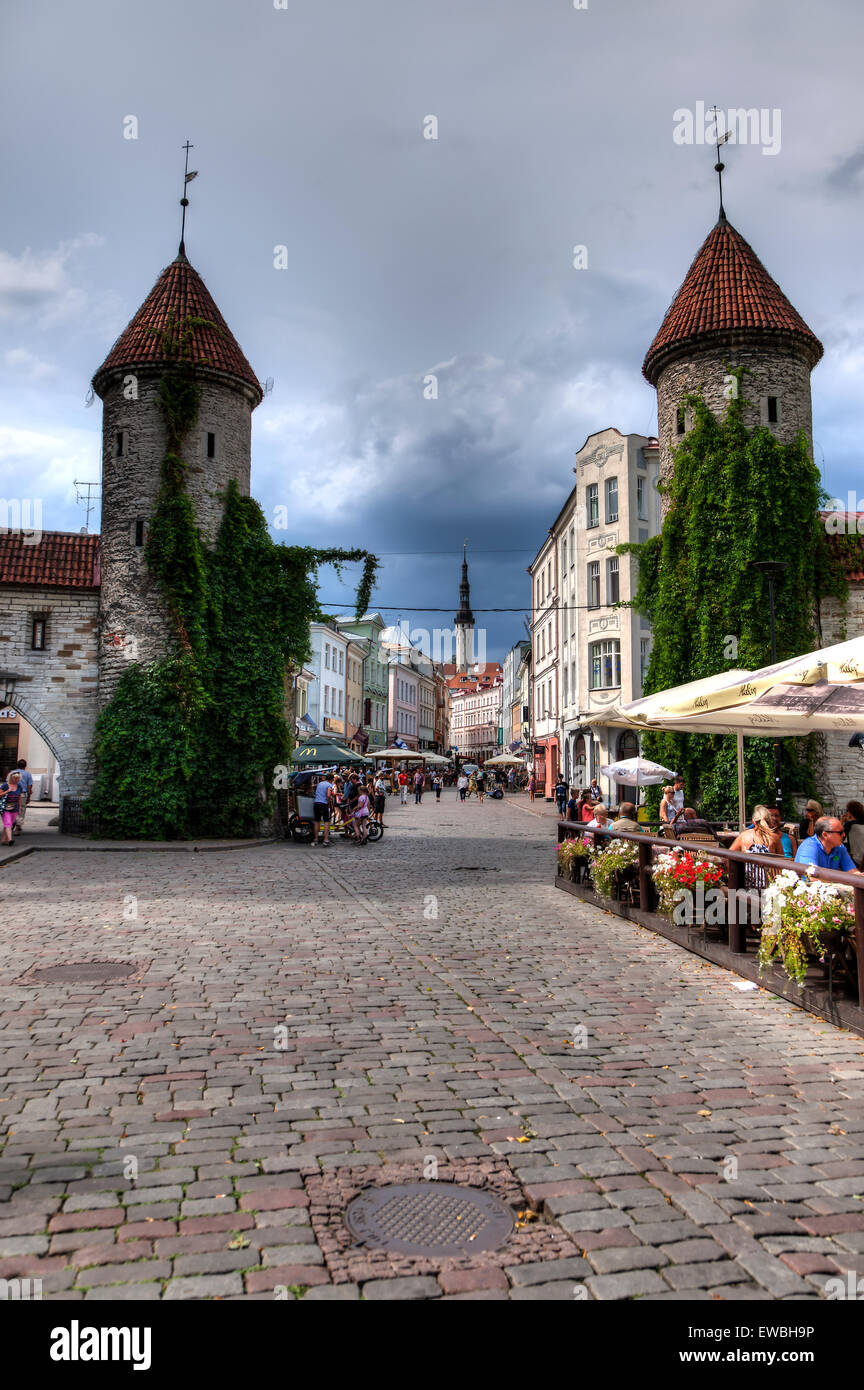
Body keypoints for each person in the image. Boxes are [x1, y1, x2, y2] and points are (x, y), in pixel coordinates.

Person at [729, 804, 783, 888]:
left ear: (753, 821)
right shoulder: (774, 838)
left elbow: (728, 856)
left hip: (747, 887)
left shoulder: (744, 836)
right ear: (769, 821)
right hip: (769, 888)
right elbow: (782, 863)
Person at [796, 815, 864, 876]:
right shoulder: (809, 847)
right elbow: (813, 876)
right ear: (825, 835)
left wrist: (859, 875)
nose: (844, 835)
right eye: (840, 833)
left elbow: (851, 871)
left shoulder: (839, 847)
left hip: (831, 887)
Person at [0, 770, 23, 846]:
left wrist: (19, 808)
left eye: (18, 779)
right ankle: (10, 840)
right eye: (15, 778)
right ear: (11, 778)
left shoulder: (19, 786)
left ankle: (3, 840)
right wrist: (7, 791)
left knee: (9, 824)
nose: (16, 780)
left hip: (15, 807)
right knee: (8, 823)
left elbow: (19, 797)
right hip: (5, 807)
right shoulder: (5, 786)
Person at [311, 773, 334, 845]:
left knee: (317, 821)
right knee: (326, 821)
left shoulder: (320, 783)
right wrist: (329, 802)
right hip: (323, 804)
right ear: (332, 779)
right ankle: (326, 839)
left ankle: (316, 839)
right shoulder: (329, 785)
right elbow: (328, 795)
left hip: (316, 803)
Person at [841, 801, 864, 869]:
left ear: (850, 812)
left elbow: (838, 837)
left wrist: (841, 822)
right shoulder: (855, 824)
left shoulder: (850, 825)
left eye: (847, 810)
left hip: (857, 860)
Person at [13, 759, 32, 836]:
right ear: (25, 766)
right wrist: (29, 797)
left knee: (12, 808)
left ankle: (14, 822)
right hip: (22, 794)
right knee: (21, 810)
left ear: (17, 765)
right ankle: (17, 828)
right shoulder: (27, 774)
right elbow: (29, 786)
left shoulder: (12, 773)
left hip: (12, 793)